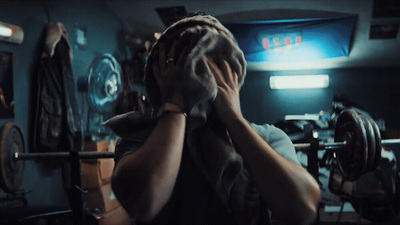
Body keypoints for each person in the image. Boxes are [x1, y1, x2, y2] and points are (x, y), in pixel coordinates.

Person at [106, 13, 320, 225]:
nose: (199, 81)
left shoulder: (268, 137)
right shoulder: (137, 139)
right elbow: (146, 203)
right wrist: (174, 107)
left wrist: (234, 118)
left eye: (211, 70)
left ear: (232, 77)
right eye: (187, 72)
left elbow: (303, 209)